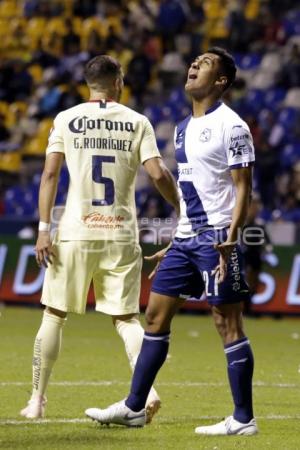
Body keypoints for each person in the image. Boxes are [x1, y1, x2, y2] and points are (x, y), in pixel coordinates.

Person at [85, 47, 258, 436]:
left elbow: (243, 188)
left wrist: (231, 239)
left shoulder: (233, 126)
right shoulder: (181, 127)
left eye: (205, 64)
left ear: (221, 81)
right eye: (193, 60)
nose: (193, 64)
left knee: (226, 323)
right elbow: (190, 187)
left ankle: (244, 419)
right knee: (155, 316)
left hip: (217, 239)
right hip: (186, 238)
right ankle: (133, 407)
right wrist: (176, 236)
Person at [20, 55, 180, 422]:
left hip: (76, 230)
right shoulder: (137, 121)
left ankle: (36, 401)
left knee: (54, 314)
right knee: (126, 320)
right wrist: (181, 207)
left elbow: (49, 175)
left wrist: (44, 229)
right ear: (119, 81)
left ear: (86, 83)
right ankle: (148, 394)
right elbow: (157, 174)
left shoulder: (66, 119)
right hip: (121, 233)